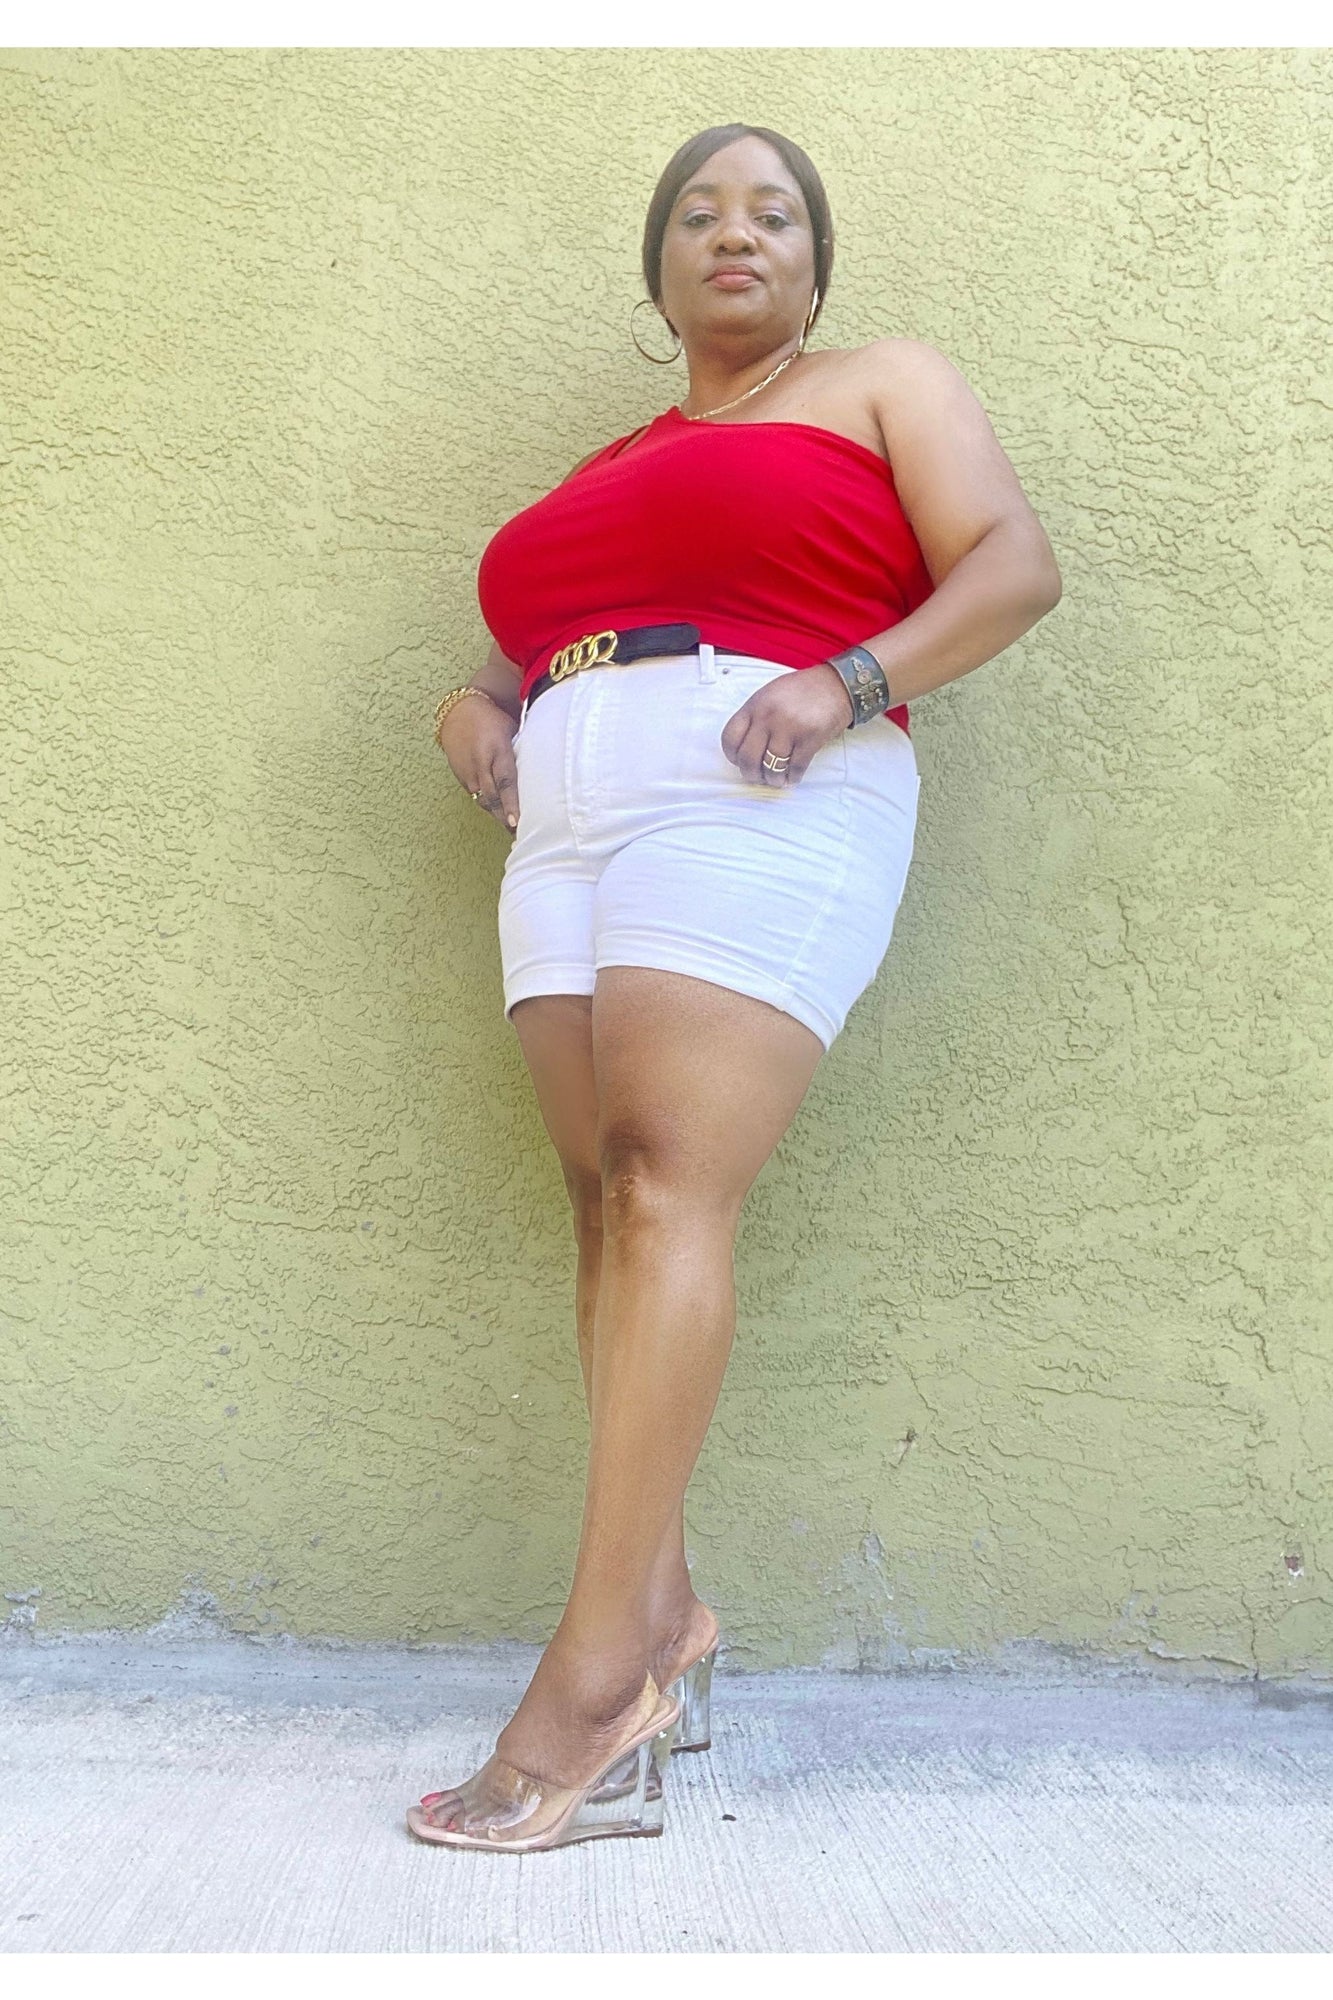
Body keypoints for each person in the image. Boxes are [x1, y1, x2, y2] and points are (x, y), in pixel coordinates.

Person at [409, 123, 1062, 1852]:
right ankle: (665, 1625)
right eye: (697, 213)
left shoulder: (880, 383)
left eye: (772, 212)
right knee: (601, 1204)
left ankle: (591, 1686)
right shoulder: (611, 461)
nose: (734, 232)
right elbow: (544, 629)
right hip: (564, 817)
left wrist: (850, 682)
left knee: (662, 1185)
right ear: (658, 270)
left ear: (814, 264)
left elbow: (1011, 565)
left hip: (758, 775)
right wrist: (475, 703)